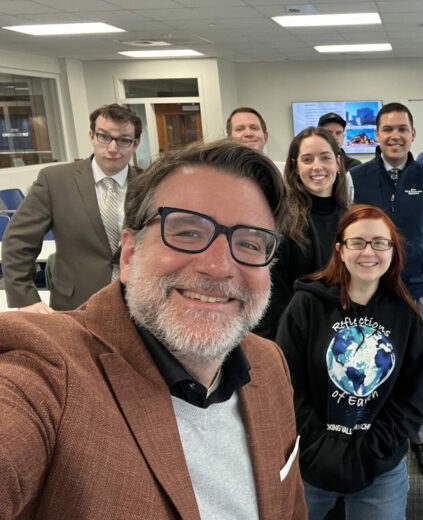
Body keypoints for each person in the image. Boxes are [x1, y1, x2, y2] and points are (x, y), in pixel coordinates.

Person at [0, 140, 306, 519]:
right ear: (129, 254)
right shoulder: (50, 371)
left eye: (249, 242)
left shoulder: (268, 363)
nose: (218, 267)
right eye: (188, 232)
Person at [277, 205, 423, 520]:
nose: (368, 251)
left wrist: (368, 454)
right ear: (340, 250)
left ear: (392, 250)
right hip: (311, 459)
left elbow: (409, 402)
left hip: (378, 464)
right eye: (357, 242)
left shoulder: (405, 316)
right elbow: (287, 388)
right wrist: (321, 451)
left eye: (379, 242)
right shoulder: (306, 305)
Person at [347, 101, 423, 477]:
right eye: (387, 129)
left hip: (416, 292)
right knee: (366, 365)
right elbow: (344, 237)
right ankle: (367, 432)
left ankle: (418, 436)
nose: (394, 136)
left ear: (412, 134)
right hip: (367, 293)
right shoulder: (355, 178)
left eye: (401, 129)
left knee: (413, 370)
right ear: (376, 135)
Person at [2, 103, 142, 312]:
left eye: (123, 140)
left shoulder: (149, 183)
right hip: (76, 303)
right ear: (92, 136)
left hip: (138, 305)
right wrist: (25, 299)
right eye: (104, 136)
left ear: (135, 143)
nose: (112, 148)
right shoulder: (55, 180)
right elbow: (18, 241)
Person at [254, 126, 349, 340]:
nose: (317, 167)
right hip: (297, 337)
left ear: (338, 163)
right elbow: (273, 300)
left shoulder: (354, 220)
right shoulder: (280, 222)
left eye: (325, 158)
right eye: (307, 159)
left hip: (345, 336)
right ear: (295, 167)